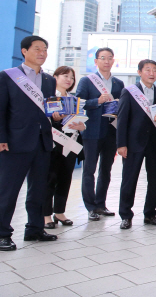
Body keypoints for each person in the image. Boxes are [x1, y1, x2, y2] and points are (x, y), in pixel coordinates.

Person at [0, 35, 58, 251]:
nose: (42, 53)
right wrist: (1, 138)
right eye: (37, 49)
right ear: (24, 51)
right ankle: (2, 233)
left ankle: (34, 228)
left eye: (45, 49)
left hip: (42, 142)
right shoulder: (8, 77)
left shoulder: (49, 80)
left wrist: (57, 117)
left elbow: (48, 111)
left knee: (38, 189)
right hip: (15, 142)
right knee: (8, 190)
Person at [116, 59, 156, 229]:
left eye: (154, 70)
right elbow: (122, 119)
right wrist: (121, 144)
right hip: (133, 143)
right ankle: (126, 215)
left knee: (154, 179)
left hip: (155, 143)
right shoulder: (129, 92)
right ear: (140, 72)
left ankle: (150, 214)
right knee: (129, 179)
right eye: (148, 70)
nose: (152, 73)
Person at [75, 47, 124, 221]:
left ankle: (101, 203)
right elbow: (78, 103)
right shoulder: (87, 81)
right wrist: (97, 101)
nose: (107, 61)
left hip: (111, 131)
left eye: (110, 58)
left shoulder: (119, 84)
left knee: (106, 169)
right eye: (103, 58)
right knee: (89, 170)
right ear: (96, 61)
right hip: (92, 131)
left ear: (113, 61)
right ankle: (90, 207)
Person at [44, 66, 86, 229]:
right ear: (55, 77)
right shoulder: (48, 96)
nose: (69, 79)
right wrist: (53, 118)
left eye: (71, 77)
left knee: (65, 177)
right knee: (49, 178)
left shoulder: (75, 100)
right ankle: (46, 214)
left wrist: (82, 126)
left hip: (70, 142)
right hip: (52, 143)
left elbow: (82, 120)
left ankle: (60, 211)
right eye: (64, 76)